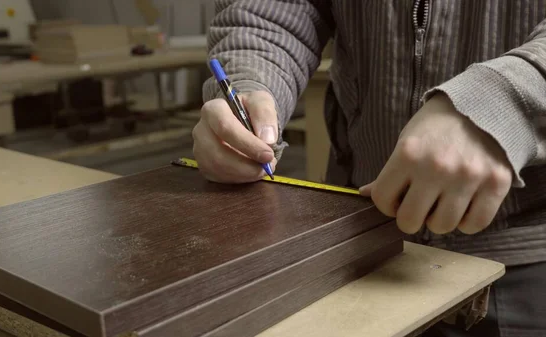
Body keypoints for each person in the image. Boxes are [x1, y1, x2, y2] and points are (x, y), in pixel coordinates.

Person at [192, 1, 546, 336]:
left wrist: (506, 100)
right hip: (360, 236)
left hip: (528, 250)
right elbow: (274, 10)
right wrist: (252, 81)